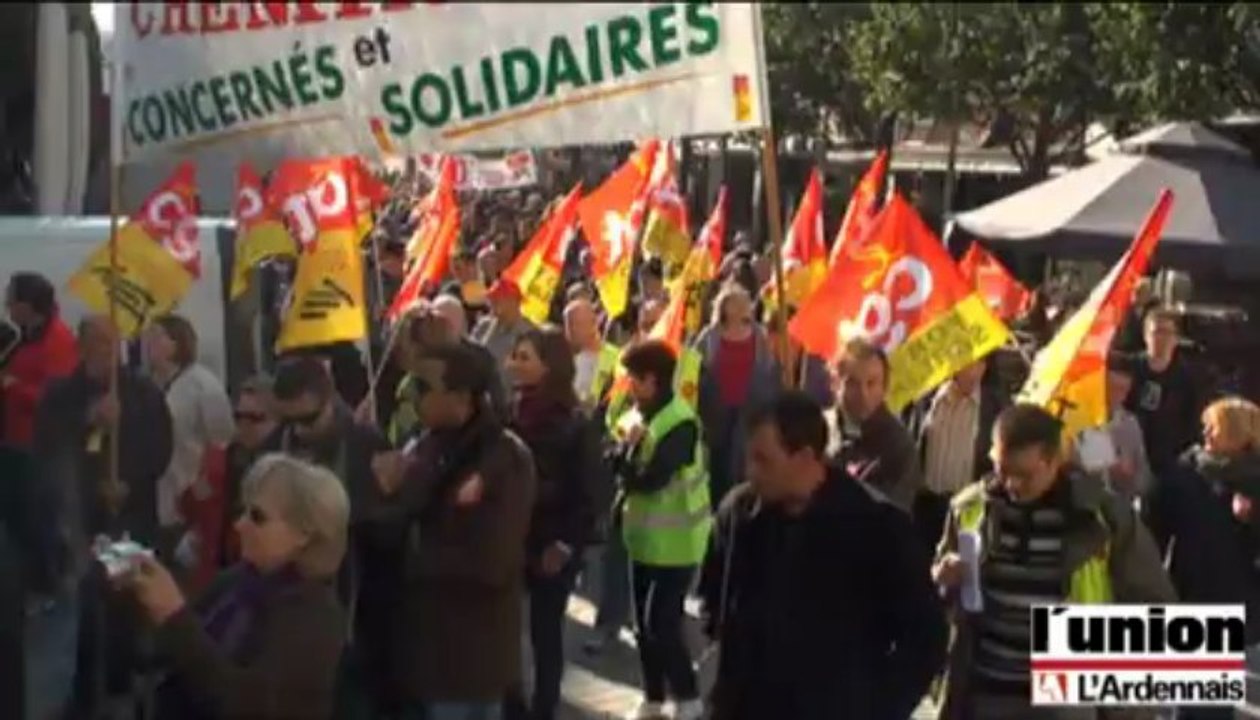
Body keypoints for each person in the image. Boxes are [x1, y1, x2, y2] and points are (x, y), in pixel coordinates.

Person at [701, 392, 947, 718]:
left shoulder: (876, 527)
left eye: (763, 460)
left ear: (804, 457)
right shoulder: (739, 514)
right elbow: (714, 598)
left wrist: (877, 708)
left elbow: (924, 637)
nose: (750, 471)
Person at [933, 404, 1175, 719]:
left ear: (1054, 462)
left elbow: (1154, 605)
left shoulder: (1103, 518)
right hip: (987, 690)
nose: (1012, 485)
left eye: (1024, 475)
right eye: (1002, 470)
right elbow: (940, 596)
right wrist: (942, 580)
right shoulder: (968, 508)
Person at [375, 342, 536, 720]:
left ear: (462, 398)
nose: (412, 397)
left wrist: (412, 552)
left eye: (424, 388)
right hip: (424, 650)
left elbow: (492, 562)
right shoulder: (429, 443)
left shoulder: (502, 458)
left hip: (470, 657)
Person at [123, 453, 349, 719]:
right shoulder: (236, 581)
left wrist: (174, 615)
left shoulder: (316, 615)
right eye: (243, 511)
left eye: (257, 517)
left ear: (304, 534)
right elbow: (164, 652)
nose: (240, 525)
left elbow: (247, 704)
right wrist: (138, 596)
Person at [28, 315, 173, 717]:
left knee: (128, 610)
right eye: (95, 343)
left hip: (131, 518)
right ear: (81, 346)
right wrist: (87, 422)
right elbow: (46, 449)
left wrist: (128, 479)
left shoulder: (143, 392)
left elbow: (162, 447)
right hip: (80, 526)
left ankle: (129, 687)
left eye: (110, 344)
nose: (103, 352)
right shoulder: (60, 395)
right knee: (85, 614)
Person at [270, 356, 398, 718]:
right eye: (289, 421)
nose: (300, 431)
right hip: (289, 609)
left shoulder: (364, 444)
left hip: (353, 611)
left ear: (330, 400)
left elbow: (393, 534)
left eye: (308, 419)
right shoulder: (276, 444)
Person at [503, 326, 607, 720]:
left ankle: (544, 708)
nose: (514, 363)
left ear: (549, 367)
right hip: (511, 538)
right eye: (515, 355)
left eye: (524, 357)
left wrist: (565, 545)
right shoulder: (508, 412)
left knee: (546, 634)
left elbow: (590, 493)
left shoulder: (575, 423)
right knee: (506, 631)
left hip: (552, 544)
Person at [606, 340, 710, 720]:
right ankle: (652, 698)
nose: (628, 386)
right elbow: (612, 450)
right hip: (643, 538)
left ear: (652, 380)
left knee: (661, 623)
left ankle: (688, 697)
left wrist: (624, 457)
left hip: (678, 542)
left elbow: (650, 479)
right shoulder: (640, 412)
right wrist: (620, 452)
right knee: (642, 626)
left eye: (633, 379)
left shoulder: (680, 422)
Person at [1143, 398, 1260, 633]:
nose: (1205, 432)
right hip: (1190, 596)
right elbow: (1153, 532)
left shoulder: (1255, 481)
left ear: (1238, 432)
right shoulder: (1183, 474)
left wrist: (1254, 516)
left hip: (1246, 605)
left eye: (1214, 426)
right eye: (1205, 425)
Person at [143, 315, 236, 586]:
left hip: (189, 499)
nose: (149, 342)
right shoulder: (151, 386)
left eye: (157, 336)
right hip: (157, 498)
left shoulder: (202, 386)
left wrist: (206, 484)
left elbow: (222, 438)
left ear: (176, 343)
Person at [695, 284, 781, 508]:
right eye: (739, 302)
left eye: (747, 303)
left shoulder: (759, 336)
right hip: (717, 414)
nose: (746, 307)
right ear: (725, 307)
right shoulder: (709, 336)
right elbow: (694, 369)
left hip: (750, 413)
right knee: (719, 469)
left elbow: (770, 371)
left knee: (745, 467)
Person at [907, 357, 1006, 553]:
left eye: (980, 364)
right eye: (968, 363)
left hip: (966, 508)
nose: (974, 372)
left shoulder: (995, 407)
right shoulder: (926, 400)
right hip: (925, 505)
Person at [826, 337, 922, 513]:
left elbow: (895, 515)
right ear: (835, 383)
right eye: (853, 383)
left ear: (884, 386)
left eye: (871, 383)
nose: (863, 394)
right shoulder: (818, 431)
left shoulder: (899, 446)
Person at [1, 272, 78, 449]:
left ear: (27, 306)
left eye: (11, 301)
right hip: (16, 435)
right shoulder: (28, 334)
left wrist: (12, 386)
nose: (7, 306)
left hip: (39, 445)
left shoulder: (58, 341)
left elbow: (58, 400)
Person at [1126, 307, 1205, 476]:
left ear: (1176, 339)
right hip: (1130, 454)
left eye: (1167, 333)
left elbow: (1193, 420)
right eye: (1156, 332)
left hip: (1170, 459)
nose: (1161, 338)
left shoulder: (1187, 377)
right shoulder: (1129, 369)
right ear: (1146, 336)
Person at [1073, 354, 1152, 506]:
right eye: (1111, 388)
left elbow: (1144, 479)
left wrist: (1130, 475)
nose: (1116, 396)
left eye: (1123, 390)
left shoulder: (1130, 424)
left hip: (1119, 509)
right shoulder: (1079, 419)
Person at [221, 376, 281, 566]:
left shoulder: (283, 464)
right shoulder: (235, 454)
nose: (244, 426)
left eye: (254, 418)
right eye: (238, 416)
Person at [564, 297, 619, 413]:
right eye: (567, 326)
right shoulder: (565, 363)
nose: (569, 331)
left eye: (574, 324)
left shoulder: (616, 357)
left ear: (594, 323)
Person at [474, 278, 536, 370]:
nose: (492, 303)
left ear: (513, 301)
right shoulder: (484, 326)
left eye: (498, 298)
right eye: (492, 298)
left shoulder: (529, 332)